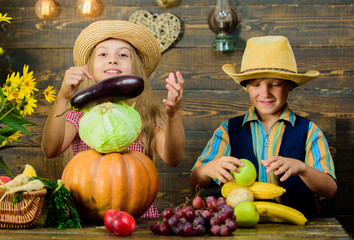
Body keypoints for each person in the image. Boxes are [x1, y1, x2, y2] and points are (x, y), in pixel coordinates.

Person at [41, 20, 185, 218]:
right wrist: (62, 97)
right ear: (89, 67)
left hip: (137, 219)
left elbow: (173, 158)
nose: (113, 60)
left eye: (123, 54)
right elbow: (50, 149)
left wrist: (173, 113)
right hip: (85, 218)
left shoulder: (149, 114)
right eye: (103, 54)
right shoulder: (78, 113)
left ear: (136, 68)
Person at [190, 35, 337, 217]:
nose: (265, 93)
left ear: (290, 86)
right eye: (256, 84)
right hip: (238, 224)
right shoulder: (228, 130)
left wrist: (302, 168)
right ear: (246, 87)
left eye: (275, 84)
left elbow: (330, 190)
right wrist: (207, 169)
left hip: (299, 225)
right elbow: (195, 180)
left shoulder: (309, 131)